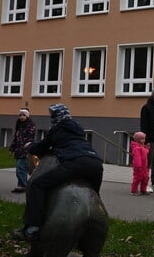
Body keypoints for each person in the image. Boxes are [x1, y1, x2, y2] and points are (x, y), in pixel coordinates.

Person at [13, 103, 104, 241]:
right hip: (96, 163)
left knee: (38, 185)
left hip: (76, 162)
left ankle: (32, 228)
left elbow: (41, 148)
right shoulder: (77, 129)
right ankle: (94, 228)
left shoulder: (57, 129)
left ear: (55, 118)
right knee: (93, 197)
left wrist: (30, 146)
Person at [9, 108, 37, 193]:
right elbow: (15, 138)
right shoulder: (19, 126)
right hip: (18, 150)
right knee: (21, 168)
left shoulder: (31, 126)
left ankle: (22, 185)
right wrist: (11, 149)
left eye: (24, 115)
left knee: (20, 167)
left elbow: (31, 138)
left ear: (27, 116)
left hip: (25, 150)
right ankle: (21, 184)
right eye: (20, 115)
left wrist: (28, 145)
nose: (21, 117)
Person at [130, 131, 150, 195]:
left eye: (144, 138)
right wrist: (138, 166)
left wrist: (147, 148)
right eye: (142, 139)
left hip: (144, 166)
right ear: (138, 139)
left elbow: (145, 153)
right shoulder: (136, 148)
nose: (144, 140)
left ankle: (143, 190)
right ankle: (134, 190)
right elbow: (137, 158)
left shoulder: (142, 146)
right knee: (137, 178)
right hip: (139, 167)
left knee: (145, 178)